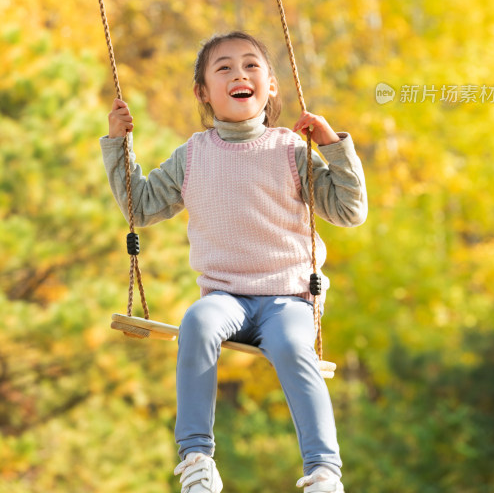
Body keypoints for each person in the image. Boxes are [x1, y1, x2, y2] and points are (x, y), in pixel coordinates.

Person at [100, 31, 368, 493]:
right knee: (197, 323)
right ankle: (197, 460)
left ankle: (324, 471)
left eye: (251, 65)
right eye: (223, 68)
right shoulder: (194, 156)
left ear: (271, 86)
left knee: (290, 346)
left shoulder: (290, 150)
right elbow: (140, 206)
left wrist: (332, 146)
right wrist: (117, 143)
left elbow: (349, 210)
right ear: (203, 92)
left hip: (289, 299)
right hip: (225, 297)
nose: (239, 74)